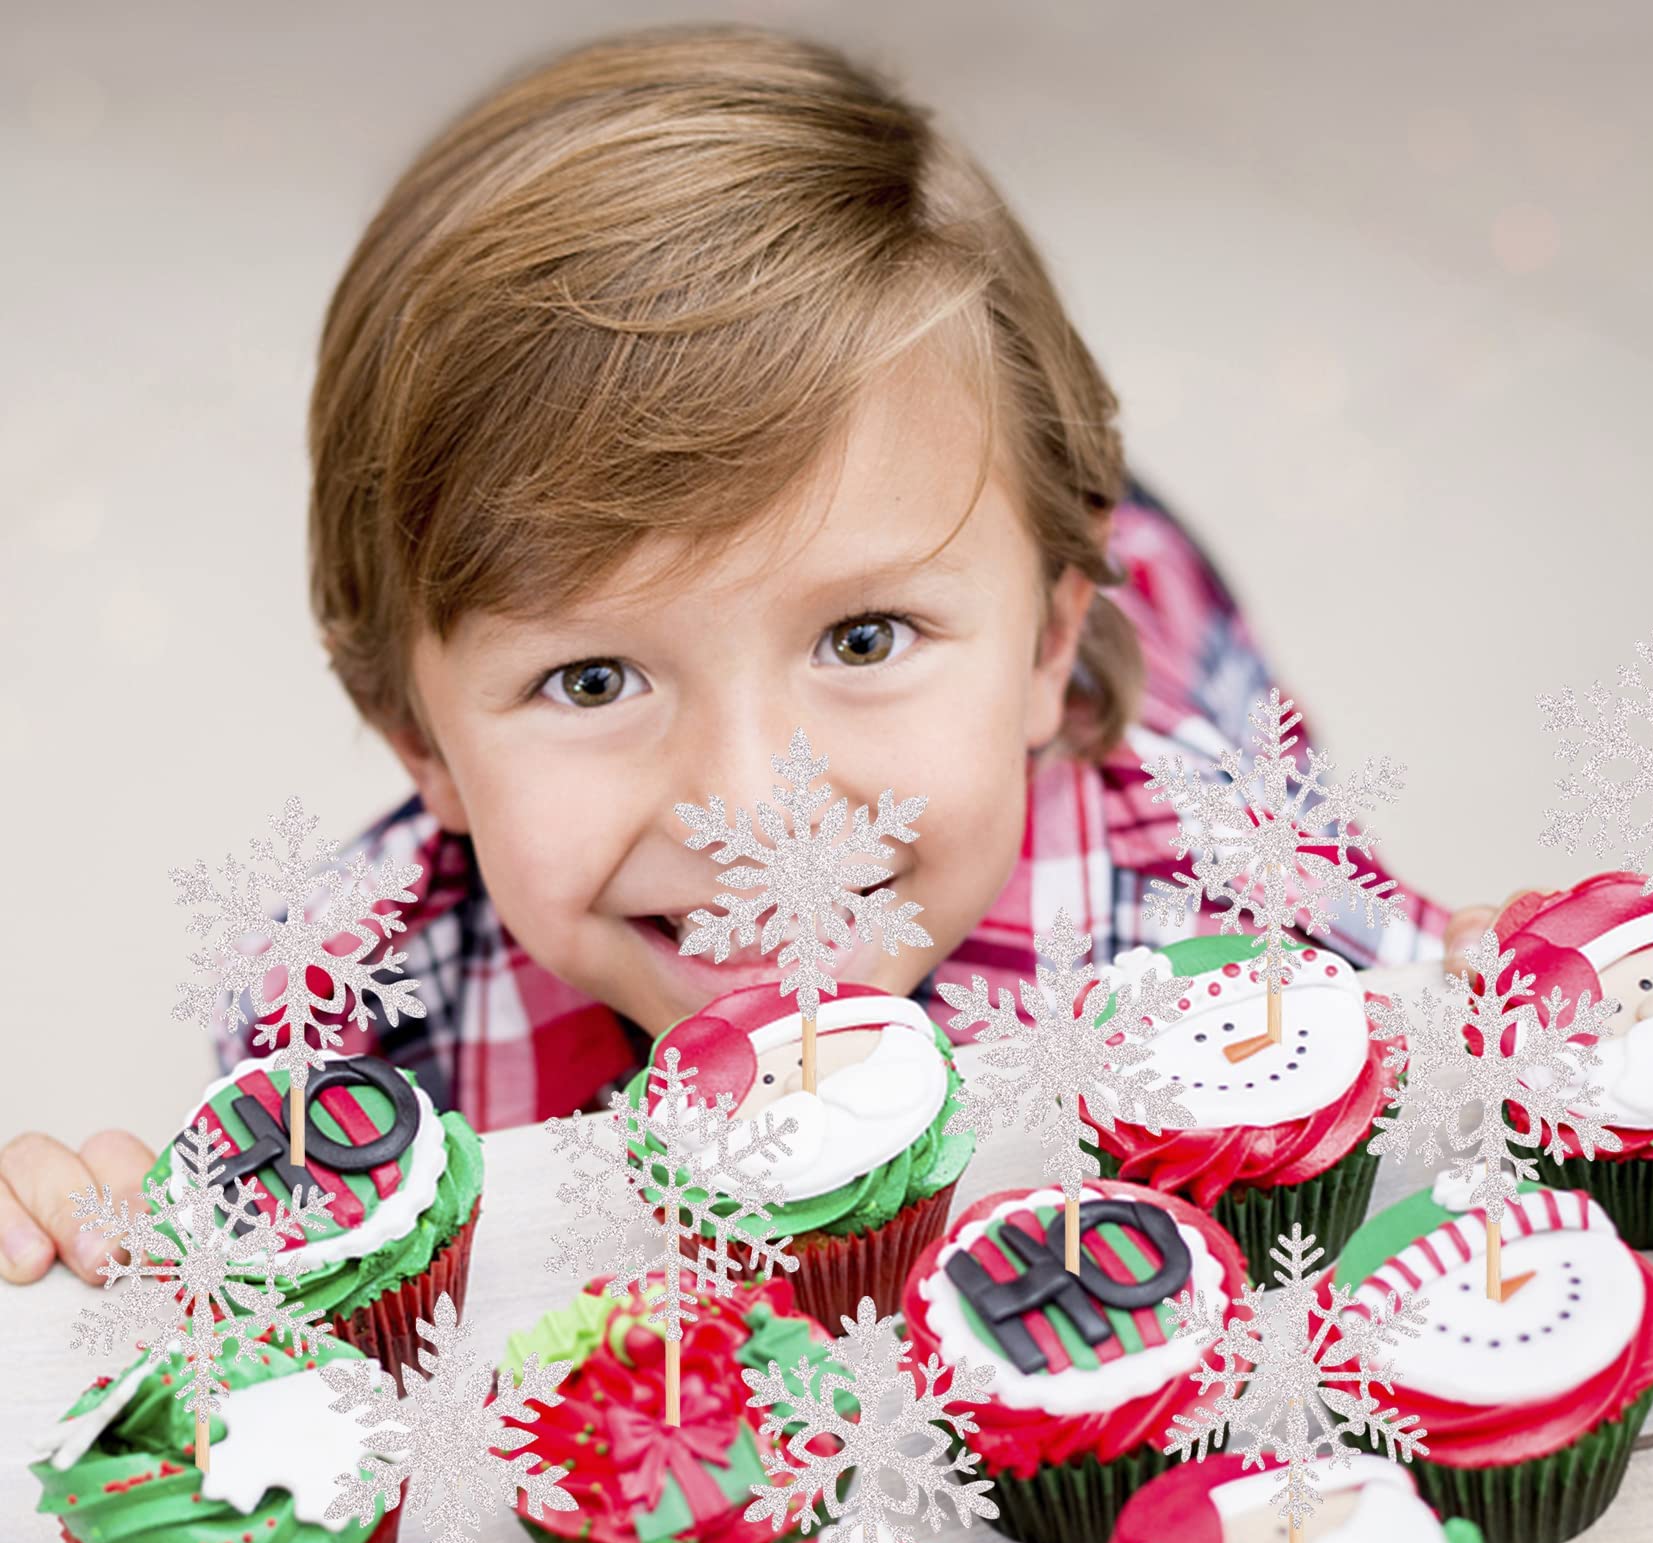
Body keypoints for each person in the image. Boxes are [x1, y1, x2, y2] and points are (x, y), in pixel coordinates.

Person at [0, 24, 1489, 1287]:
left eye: (863, 636)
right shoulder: (357, 1025)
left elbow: (1465, 1096)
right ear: (418, 738)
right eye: (593, 679)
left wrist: (1495, 1017)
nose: (752, 810)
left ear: (1048, 641)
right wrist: (113, 1254)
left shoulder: (1230, 915)